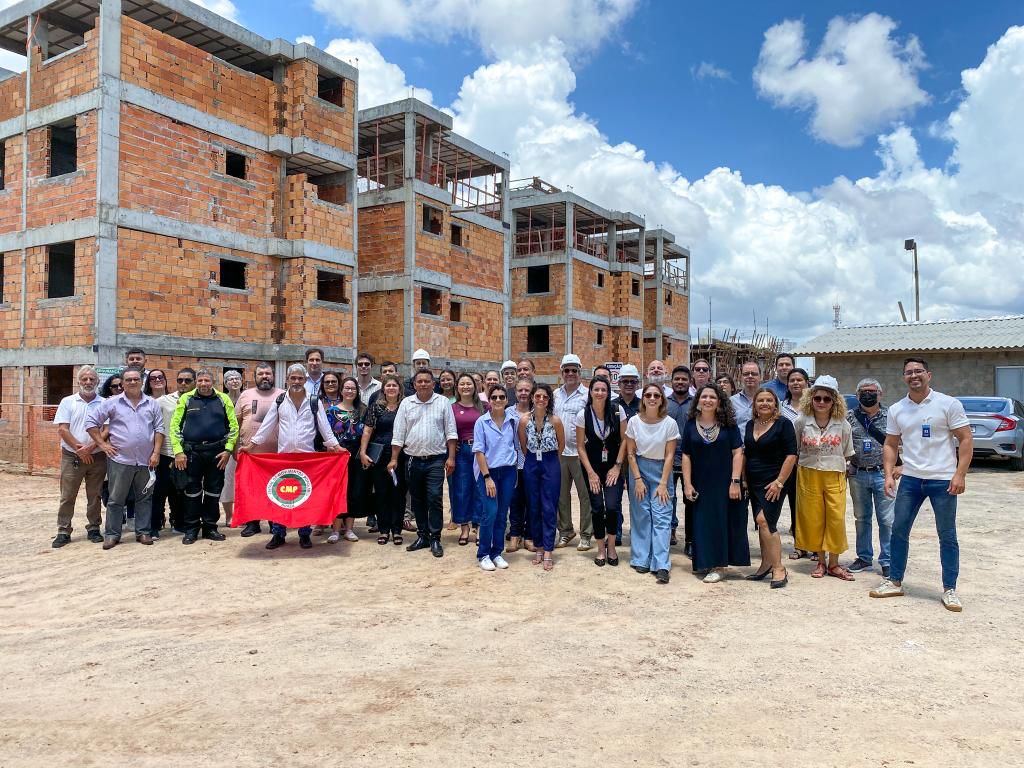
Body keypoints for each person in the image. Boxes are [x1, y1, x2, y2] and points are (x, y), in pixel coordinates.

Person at [870, 358, 972, 612]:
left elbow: (966, 439)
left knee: (947, 535)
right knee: (899, 530)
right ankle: (894, 581)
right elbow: (891, 444)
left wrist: (960, 475)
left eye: (918, 371)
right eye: (908, 372)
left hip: (943, 480)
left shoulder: (948, 404)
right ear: (903, 377)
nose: (914, 375)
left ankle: (950, 589)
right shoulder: (897, 409)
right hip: (912, 480)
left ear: (929, 374)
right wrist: (889, 474)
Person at [247, 363, 343, 549]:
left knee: (304, 497)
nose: (297, 381)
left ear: (305, 380)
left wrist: (337, 448)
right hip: (283, 459)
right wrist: (251, 446)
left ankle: (304, 534)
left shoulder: (314, 401)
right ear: (287, 380)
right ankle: (278, 534)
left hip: (307, 460)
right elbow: (266, 426)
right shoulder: (280, 401)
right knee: (280, 498)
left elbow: (325, 428)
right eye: (293, 378)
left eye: (300, 378)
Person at [86, 367, 164, 549]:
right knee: (115, 499)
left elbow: (159, 429)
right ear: (122, 383)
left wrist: (156, 452)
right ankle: (112, 535)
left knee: (145, 498)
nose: (132, 382)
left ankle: (143, 532)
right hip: (120, 460)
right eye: (128, 380)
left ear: (141, 381)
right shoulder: (112, 403)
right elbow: (91, 423)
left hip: (147, 461)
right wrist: (103, 445)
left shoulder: (151, 403)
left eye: (136, 379)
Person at [682, 384, 748, 583]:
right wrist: (687, 484)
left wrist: (735, 481)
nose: (708, 400)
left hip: (724, 483)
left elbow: (738, 452)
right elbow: (686, 455)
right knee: (702, 523)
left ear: (719, 401)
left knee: (721, 522)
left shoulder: (729, 425)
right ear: (698, 400)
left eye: (712, 397)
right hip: (700, 482)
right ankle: (705, 562)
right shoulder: (691, 424)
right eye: (704, 396)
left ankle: (719, 566)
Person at [793, 375, 855, 581]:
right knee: (814, 518)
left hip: (834, 473)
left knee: (835, 518)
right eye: (817, 398)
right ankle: (820, 561)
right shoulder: (801, 421)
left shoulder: (843, 424)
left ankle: (834, 563)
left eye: (826, 399)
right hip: (808, 472)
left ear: (834, 401)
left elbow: (847, 451)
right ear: (810, 398)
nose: (821, 402)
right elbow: (796, 448)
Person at [390, 369, 457, 557]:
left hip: (436, 459)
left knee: (435, 498)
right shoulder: (406, 403)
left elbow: (451, 432)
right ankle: (423, 536)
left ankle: (435, 537)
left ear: (433, 384)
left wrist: (451, 458)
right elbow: (398, 434)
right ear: (414, 384)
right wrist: (394, 458)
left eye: (427, 381)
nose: (423, 384)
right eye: (419, 381)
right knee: (417, 500)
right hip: (412, 459)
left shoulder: (443, 402)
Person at [170, 369, 238, 545]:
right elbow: (174, 427)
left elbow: (234, 427)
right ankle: (191, 529)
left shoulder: (223, 399)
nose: (203, 384)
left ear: (213, 382)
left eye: (207, 380)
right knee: (191, 492)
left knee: (213, 491)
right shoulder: (186, 399)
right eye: (200, 380)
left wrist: (228, 450)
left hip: (217, 453)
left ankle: (210, 527)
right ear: (196, 382)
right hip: (192, 453)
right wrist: (178, 452)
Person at [743, 388, 797, 588]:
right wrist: (744, 480)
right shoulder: (750, 424)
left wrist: (779, 482)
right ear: (754, 404)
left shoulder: (784, 424)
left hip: (775, 481)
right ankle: (766, 564)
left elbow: (791, 455)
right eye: (760, 400)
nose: (764, 403)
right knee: (761, 523)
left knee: (765, 520)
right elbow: (747, 453)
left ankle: (779, 567)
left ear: (776, 404)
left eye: (769, 400)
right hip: (754, 481)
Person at [52, 365, 107, 548]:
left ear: (97, 382)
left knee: (95, 495)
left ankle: (93, 528)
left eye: (92, 379)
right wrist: (80, 449)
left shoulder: (104, 402)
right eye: (85, 379)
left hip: (97, 457)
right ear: (78, 382)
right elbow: (62, 428)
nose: (88, 382)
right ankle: (63, 530)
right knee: (67, 495)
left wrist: (91, 447)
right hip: (72, 456)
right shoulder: (68, 401)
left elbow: (107, 429)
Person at [846, 378, 896, 577]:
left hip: (883, 474)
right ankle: (864, 557)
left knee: (887, 520)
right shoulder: (849, 417)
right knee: (862, 518)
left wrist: (900, 465)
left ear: (880, 394)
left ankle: (888, 560)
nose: (868, 395)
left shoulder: (891, 415)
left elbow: (905, 440)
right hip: (858, 473)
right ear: (857, 395)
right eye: (863, 391)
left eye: (872, 391)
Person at [576, 376, 626, 567]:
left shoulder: (617, 410)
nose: (599, 393)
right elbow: (580, 447)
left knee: (612, 507)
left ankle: (611, 546)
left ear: (608, 392)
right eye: (596, 389)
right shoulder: (584, 414)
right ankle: (600, 549)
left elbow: (625, 440)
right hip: (593, 467)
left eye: (603, 390)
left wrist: (617, 466)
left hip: (613, 467)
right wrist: (590, 472)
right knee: (597, 508)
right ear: (590, 392)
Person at [473, 384, 520, 571]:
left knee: (502, 514)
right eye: (494, 397)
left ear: (507, 400)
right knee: (490, 512)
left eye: (502, 397)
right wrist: (486, 477)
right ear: (489, 400)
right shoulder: (481, 422)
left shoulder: (513, 421)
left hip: (508, 472)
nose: (498, 400)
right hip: (488, 473)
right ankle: (483, 554)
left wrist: (516, 470)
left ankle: (496, 552)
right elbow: (479, 451)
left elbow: (517, 446)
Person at [518, 383, 564, 572]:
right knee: (534, 505)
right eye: (537, 396)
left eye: (545, 397)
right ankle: (538, 547)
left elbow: (561, 445)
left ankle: (548, 551)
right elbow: (523, 444)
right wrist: (534, 458)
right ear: (532, 398)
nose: (541, 400)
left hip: (550, 461)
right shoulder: (523, 420)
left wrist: (550, 460)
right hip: (531, 461)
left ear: (549, 400)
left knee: (549, 506)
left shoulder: (555, 421)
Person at [233, 362, 282, 537]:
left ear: (273, 375)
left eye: (267, 373)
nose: (264, 377)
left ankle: (274, 522)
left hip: (276, 456)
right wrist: (235, 448)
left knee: (274, 489)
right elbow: (236, 423)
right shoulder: (245, 395)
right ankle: (252, 523)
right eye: (260, 374)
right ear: (254, 377)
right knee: (251, 490)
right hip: (250, 454)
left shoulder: (282, 395)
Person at [360, 374, 406, 545]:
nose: (391, 388)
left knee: (398, 494)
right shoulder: (375, 408)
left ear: (399, 389)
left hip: (401, 456)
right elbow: (367, 431)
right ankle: (384, 529)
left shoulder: (405, 407)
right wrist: (363, 453)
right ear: (383, 389)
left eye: (394, 385)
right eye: (388, 386)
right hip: (379, 456)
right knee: (381, 493)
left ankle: (397, 530)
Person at [320, 374, 367, 543]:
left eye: (353, 388)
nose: (349, 391)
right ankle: (335, 530)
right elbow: (325, 435)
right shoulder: (331, 411)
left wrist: (362, 452)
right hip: (337, 458)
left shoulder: (362, 410)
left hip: (356, 457)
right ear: (341, 390)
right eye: (347, 388)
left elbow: (367, 434)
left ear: (357, 391)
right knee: (337, 493)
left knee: (353, 492)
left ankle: (349, 529)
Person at [553, 353, 592, 551]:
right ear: (561, 372)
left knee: (585, 495)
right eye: (566, 370)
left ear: (580, 372)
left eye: (573, 370)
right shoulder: (555, 395)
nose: (570, 373)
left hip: (580, 454)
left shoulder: (587, 395)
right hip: (560, 454)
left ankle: (586, 534)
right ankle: (566, 531)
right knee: (561, 495)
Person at [450, 373, 484, 546]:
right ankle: (464, 527)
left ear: (475, 386)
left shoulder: (484, 407)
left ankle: (478, 527)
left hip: (480, 452)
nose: (466, 386)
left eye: (469, 383)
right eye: (462, 384)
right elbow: (448, 431)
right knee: (462, 489)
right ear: (457, 387)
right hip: (461, 450)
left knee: (480, 489)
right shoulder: (453, 408)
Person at [612, 363, 642, 547]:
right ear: (619, 383)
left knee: (637, 498)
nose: (629, 384)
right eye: (625, 381)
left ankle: (638, 533)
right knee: (614, 498)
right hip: (617, 457)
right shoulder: (612, 405)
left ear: (637, 384)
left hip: (638, 458)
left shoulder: (644, 404)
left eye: (632, 381)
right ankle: (615, 532)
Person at [782, 367, 810, 557]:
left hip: (810, 462)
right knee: (794, 503)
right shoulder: (781, 407)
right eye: (792, 380)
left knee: (810, 504)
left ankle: (815, 545)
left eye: (799, 379)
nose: (795, 383)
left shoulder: (815, 405)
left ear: (806, 382)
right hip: (788, 462)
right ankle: (800, 545)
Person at [666, 365, 692, 549]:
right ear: (672, 381)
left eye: (684, 379)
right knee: (668, 498)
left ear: (689, 382)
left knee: (690, 499)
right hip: (668, 458)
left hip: (691, 460)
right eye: (677, 379)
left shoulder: (697, 402)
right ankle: (670, 530)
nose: (680, 382)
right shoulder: (664, 403)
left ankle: (690, 538)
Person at [506, 378, 533, 553]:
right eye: (520, 390)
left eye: (527, 390)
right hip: (513, 463)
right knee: (515, 500)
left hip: (532, 463)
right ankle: (515, 535)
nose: (523, 393)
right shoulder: (507, 412)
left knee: (531, 500)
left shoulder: (538, 412)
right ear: (515, 393)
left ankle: (529, 536)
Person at [219, 369, 244, 527]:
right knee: (227, 481)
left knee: (244, 481)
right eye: (230, 379)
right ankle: (229, 515)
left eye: (237, 378)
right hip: (226, 445)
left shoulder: (247, 397)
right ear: (225, 383)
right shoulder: (221, 399)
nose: (234, 381)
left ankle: (244, 515)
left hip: (245, 445)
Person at [730, 360, 761, 432]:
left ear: (760, 377)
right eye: (746, 374)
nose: (750, 376)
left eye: (754, 374)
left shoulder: (771, 400)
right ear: (741, 377)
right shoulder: (731, 402)